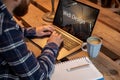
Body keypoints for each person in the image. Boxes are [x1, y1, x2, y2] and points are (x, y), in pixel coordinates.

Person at [0, 0, 63, 80]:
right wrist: (52, 45)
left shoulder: (3, 16)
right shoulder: (6, 28)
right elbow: (37, 77)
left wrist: (31, 31)